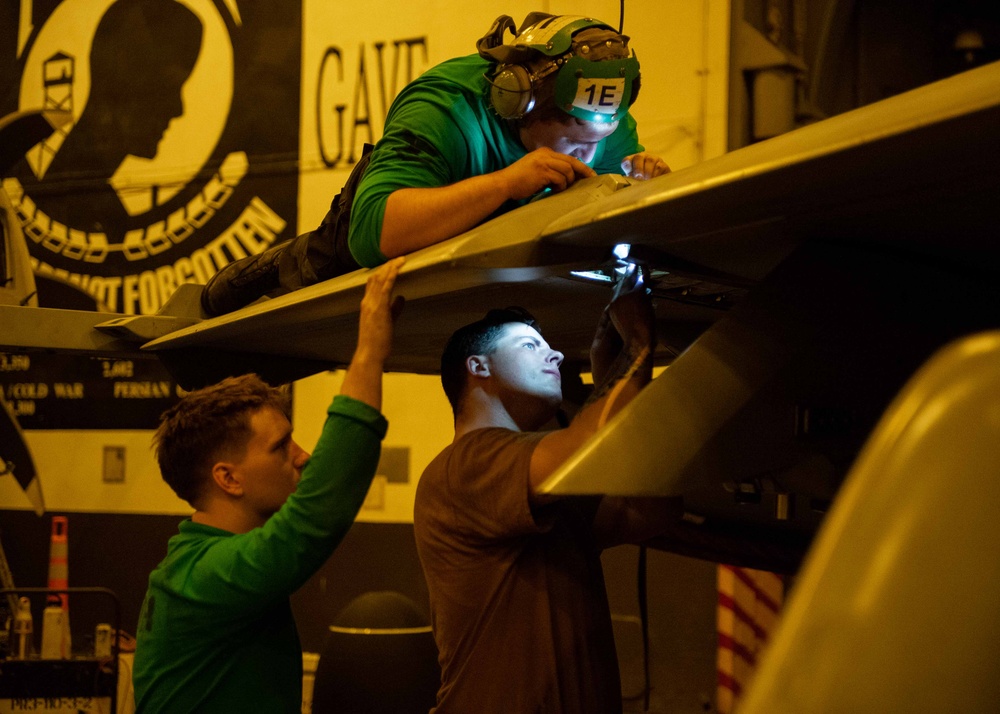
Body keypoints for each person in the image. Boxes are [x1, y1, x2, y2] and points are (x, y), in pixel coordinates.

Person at [201, 12, 669, 316]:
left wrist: (646, 190)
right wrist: (505, 183)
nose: (585, 154)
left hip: (496, 267)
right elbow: (374, 235)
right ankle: (273, 266)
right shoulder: (445, 107)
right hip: (370, 240)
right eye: (570, 138)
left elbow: (615, 201)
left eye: (598, 138)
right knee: (327, 262)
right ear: (518, 101)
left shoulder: (602, 117)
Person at [131, 257, 406, 713]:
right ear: (228, 478)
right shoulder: (203, 575)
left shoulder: (194, 565)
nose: (303, 455)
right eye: (281, 448)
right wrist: (369, 354)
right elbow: (310, 522)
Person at [413, 269, 682, 713]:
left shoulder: (545, 485)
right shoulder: (466, 466)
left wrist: (610, 385)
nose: (556, 353)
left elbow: (655, 507)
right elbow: (586, 443)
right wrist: (635, 344)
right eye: (530, 345)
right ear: (478, 367)